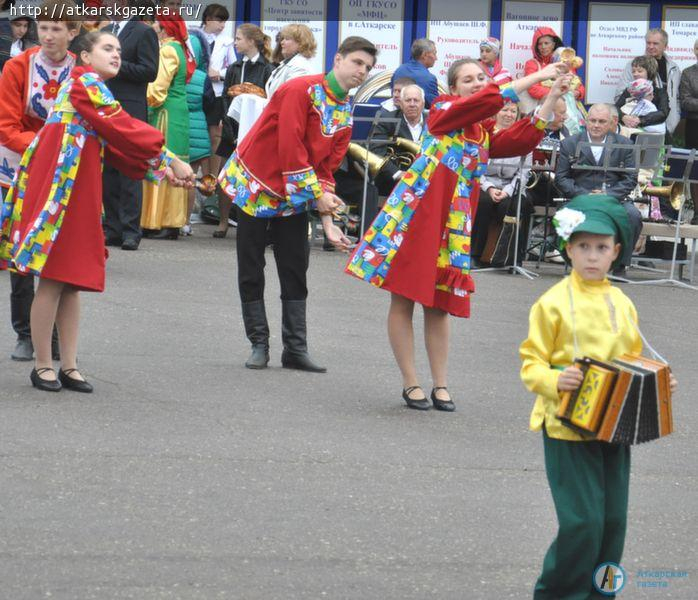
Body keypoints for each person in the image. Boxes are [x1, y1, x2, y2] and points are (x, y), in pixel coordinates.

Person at [346, 58, 571, 411]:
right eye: (468, 79)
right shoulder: (444, 111)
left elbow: (520, 139)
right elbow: (483, 103)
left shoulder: (481, 131)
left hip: (452, 221)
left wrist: (551, 94)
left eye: (481, 77)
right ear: (453, 88)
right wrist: (539, 76)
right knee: (403, 297)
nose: (477, 82)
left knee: (439, 305)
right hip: (419, 214)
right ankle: (411, 382)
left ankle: (441, 384)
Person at [0, 30, 194, 392]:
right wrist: (170, 160)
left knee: (70, 282)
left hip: (77, 188)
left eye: (119, 49)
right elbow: (121, 127)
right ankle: (43, 364)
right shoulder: (85, 83)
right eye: (108, 48)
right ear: (85, 56)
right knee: (55, 278)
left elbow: (115, 140)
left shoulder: (91, 86)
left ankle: (68, 366)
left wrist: (163, 169)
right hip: (61, 191)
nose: (117, 54)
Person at [519, 195, 678, 600]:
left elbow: (633, 359)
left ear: (616, 252)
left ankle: (601, 593)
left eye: (602, 248)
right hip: (566, 428)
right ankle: (556, 594)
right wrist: (556, 379)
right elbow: (530, 365)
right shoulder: (551, 303)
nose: (592, 256)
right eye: (583, 247)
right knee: (582, 523)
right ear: (568, 249)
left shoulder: (621, 303)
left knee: (612, 523)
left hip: (615, 426)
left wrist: (657, 381)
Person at [218, 36, 377, 372]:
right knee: (251, 266)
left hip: (296, 191)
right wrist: (316, 194)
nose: (362, 71)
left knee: (295, 267)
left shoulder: (345, 111)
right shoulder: (300, 89)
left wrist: (330, 222)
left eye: (368, 67)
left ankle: (295, 348)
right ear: (338, 59)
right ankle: (258, 343)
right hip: (258, 184)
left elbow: (326, 169)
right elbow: (289, 145)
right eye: (357, 63)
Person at [0, 0, 78, 362]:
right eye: (43, 27)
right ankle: (25, 332)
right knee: (22, 252)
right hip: (22, 166)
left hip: (66, 171)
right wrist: (44, 149)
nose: (47, 35)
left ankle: (57, 336)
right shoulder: (18, 67)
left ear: (73, 33)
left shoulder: (82, 70)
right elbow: (6, 125)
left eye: (57, 28)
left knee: (60, 255)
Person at [99, 0, 159, 251]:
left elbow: (150, 71)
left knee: (130, 171)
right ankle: (112, 228)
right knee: (108, 171)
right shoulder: (107, 31)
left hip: (131, 108)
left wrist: (116, 65)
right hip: (106, 106)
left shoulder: (143, 31)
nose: (106, 4)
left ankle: (131, 231)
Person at [555, 103, 641, 274]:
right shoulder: (569, 143)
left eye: (602, 121)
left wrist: (608, 195)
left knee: (633, 215)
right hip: (580, 197)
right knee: (563, 215)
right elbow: (561, 178)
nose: (596, 125)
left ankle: (619, 265)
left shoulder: (624, 144)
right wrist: (585, 195)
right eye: (592, 120)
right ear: (586, 121)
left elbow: (631, 179)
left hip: (613, 198)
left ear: (611, 123)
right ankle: (574, 262)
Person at [213, 23, 273, 238]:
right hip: (232, 127)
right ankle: (222, 221)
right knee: (225, 174)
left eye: (239, 38)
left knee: (252, 176)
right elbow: (225, 97)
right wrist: (225, 119)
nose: (235, 42)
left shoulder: (267, 68)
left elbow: (268, 98)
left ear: (251, 41)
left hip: (254, 129)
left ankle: (251, 223)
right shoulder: (234, 67)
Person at [141, 12, 195, 240]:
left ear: (163, 27)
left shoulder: (167, 50)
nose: (152, 25)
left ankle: (159, 220)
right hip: (178, 112)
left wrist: (143, 104)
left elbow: (157, 88)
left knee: (164, 160)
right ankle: (171, 220)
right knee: (177, 160)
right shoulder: (179, 48)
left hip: (165, 113)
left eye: (155, 22)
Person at [471, 102, 532, 266]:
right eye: (505, 110)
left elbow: (524, 172)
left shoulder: (524, 138)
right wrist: (489, 188)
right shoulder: (484, 135)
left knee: (517, 204)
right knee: (482, 202)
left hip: (510, 186)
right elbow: (475, 167)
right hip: (484, 183)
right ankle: (475, 255)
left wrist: (507, 191)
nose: (509, 114)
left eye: (513, 111)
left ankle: (509, 257)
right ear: (496, 113)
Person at [615, 28, 681, 136]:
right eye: (648, 43)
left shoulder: (673, 68)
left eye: (655, 43)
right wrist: (624, 117)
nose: (650, 46)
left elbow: (676, 98)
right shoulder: (633, 65)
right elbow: (620, 96)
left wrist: (675, 119)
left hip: (665, 124)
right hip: (634, 126)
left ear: (665, 46)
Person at [182, 27, 214, 235]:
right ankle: (186, 221)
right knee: (190, 179)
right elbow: (209, 103)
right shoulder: (203, 77)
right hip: (199, 131)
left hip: (177, 127)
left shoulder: (174, 71)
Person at [369, 83, 426, 196]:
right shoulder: (386, 120)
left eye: (416, 100)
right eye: (408, 100)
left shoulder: (433, 123)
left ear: (423, 104)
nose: (412, 104)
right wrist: (397, 173)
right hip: (393, 183)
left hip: (426, 181)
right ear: (400, 103)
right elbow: (376, 151)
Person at [201, 3, 232, 179]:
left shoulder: (227, 42)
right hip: (198, 92)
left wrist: (219, 74)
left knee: (215, 136)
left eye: (225, 22)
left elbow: (233, 69)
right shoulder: (193, 37)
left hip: (217, 93)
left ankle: (212, 178)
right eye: (220, 21)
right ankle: (200, 174)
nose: (222, 25)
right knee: (200, 135)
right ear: (208, 19)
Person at [615, 56, 669, 135]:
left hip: (653, 135)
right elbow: (616, 108)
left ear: (650, 72)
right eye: (633, 71)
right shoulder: (630, 90)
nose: (635, 74)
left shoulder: (659, 90)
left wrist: (640, 120)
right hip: (631, 134)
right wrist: (623, 117)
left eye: (639, 71)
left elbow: (663, 113)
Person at [264, 23, 316, 99]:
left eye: (287, 39)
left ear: (301, 43)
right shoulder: (287, 64)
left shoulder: (300, 67)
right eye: (282, 39)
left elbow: (290, 97)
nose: (281, 42)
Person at [680, 39, 698, 224]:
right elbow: (685, 101)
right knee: (696, 171)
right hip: (695, 127)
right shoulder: (688, 73)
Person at [391, 38, 438, 107]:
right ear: (424, 55)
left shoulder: (398, 71)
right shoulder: (429, 79)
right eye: (434, 53)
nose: (436, 58)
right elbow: (435, 106)